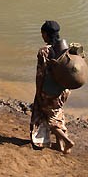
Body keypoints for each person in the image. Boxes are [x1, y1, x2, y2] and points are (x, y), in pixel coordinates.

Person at [29, 20, 75, 154]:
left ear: (46, 34)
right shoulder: (66, 49)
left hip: (49, 90)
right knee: (57, 113)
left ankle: (67, 141)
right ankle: (60, 146)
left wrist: (38, 92)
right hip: (64, 90)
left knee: (49, 118)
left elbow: (40, 74)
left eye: (42, 33)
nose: (42, 36)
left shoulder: (44, 51)